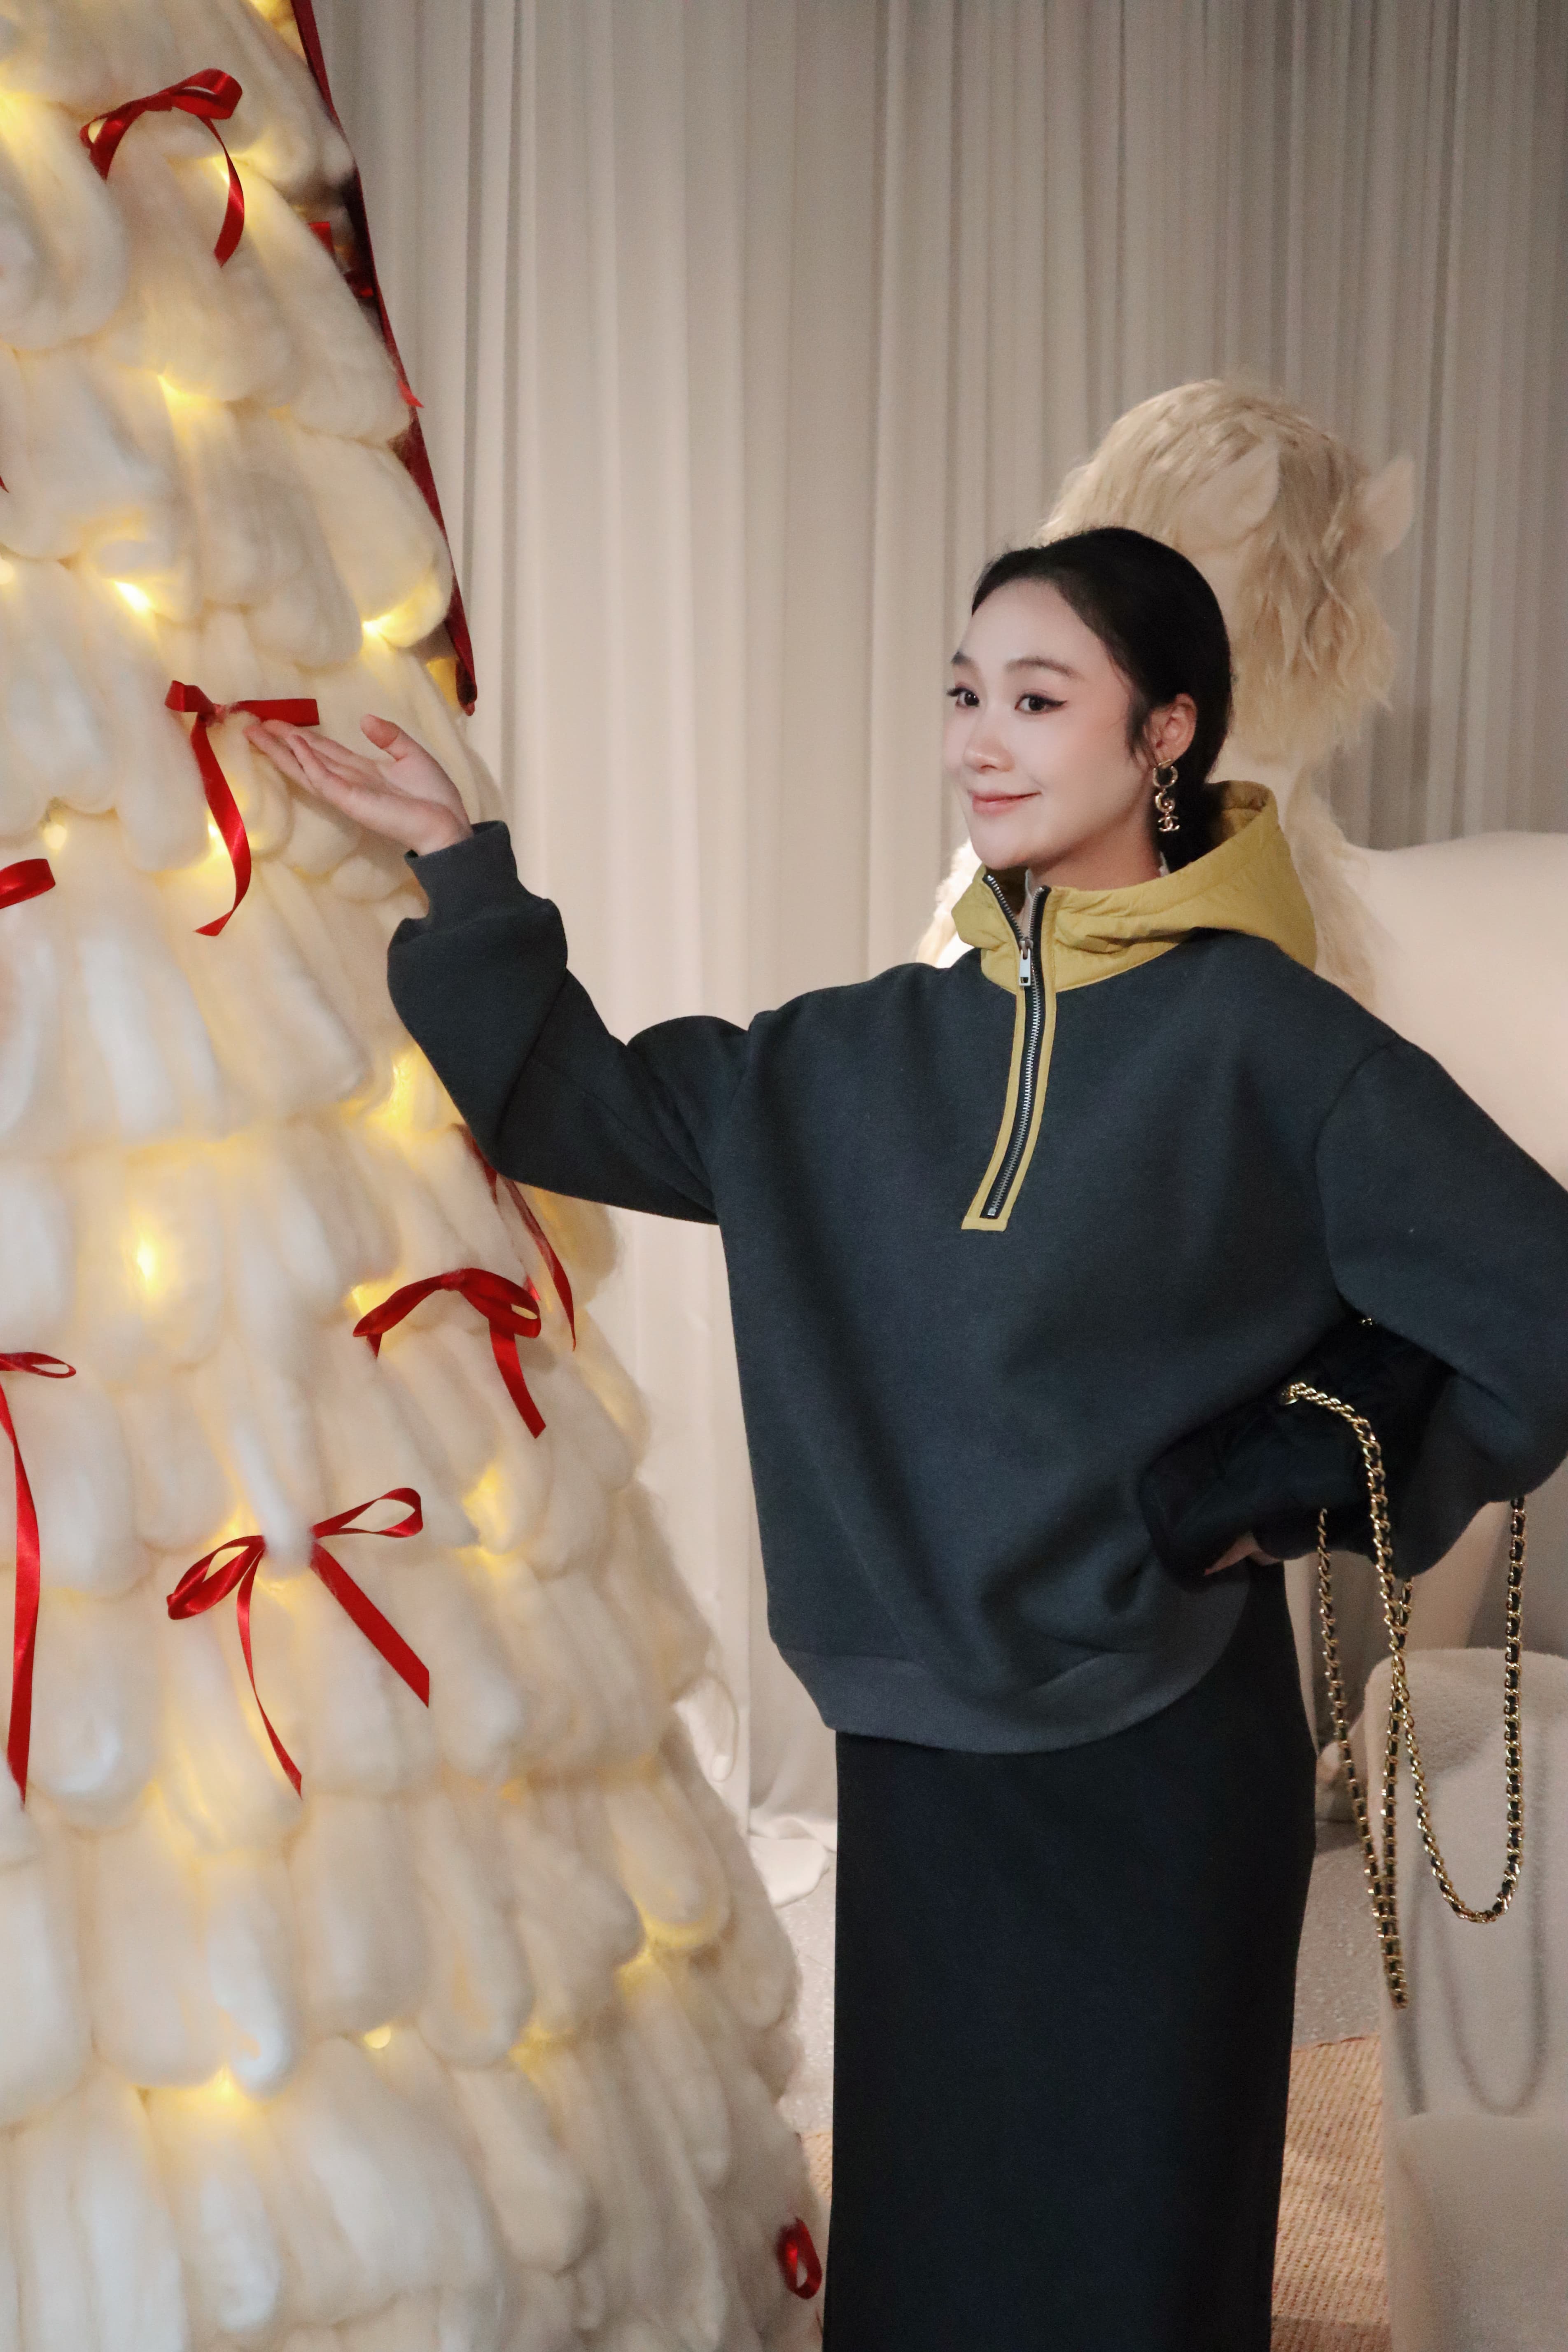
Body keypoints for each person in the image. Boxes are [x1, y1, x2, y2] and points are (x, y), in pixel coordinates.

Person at [249, 527, 1568, 2352]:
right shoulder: (852, 1056)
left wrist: (1320, 1489)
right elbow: (577, 1102)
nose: (981, 739)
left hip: (1162, 1767)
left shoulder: (1269, 1040)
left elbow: (1535, 1293)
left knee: (1135, 2253)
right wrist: (460, 861)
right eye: (964, 694)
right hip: (925, 1768)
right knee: (938, 2247)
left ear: (1166, 735)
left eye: (1038, 697)